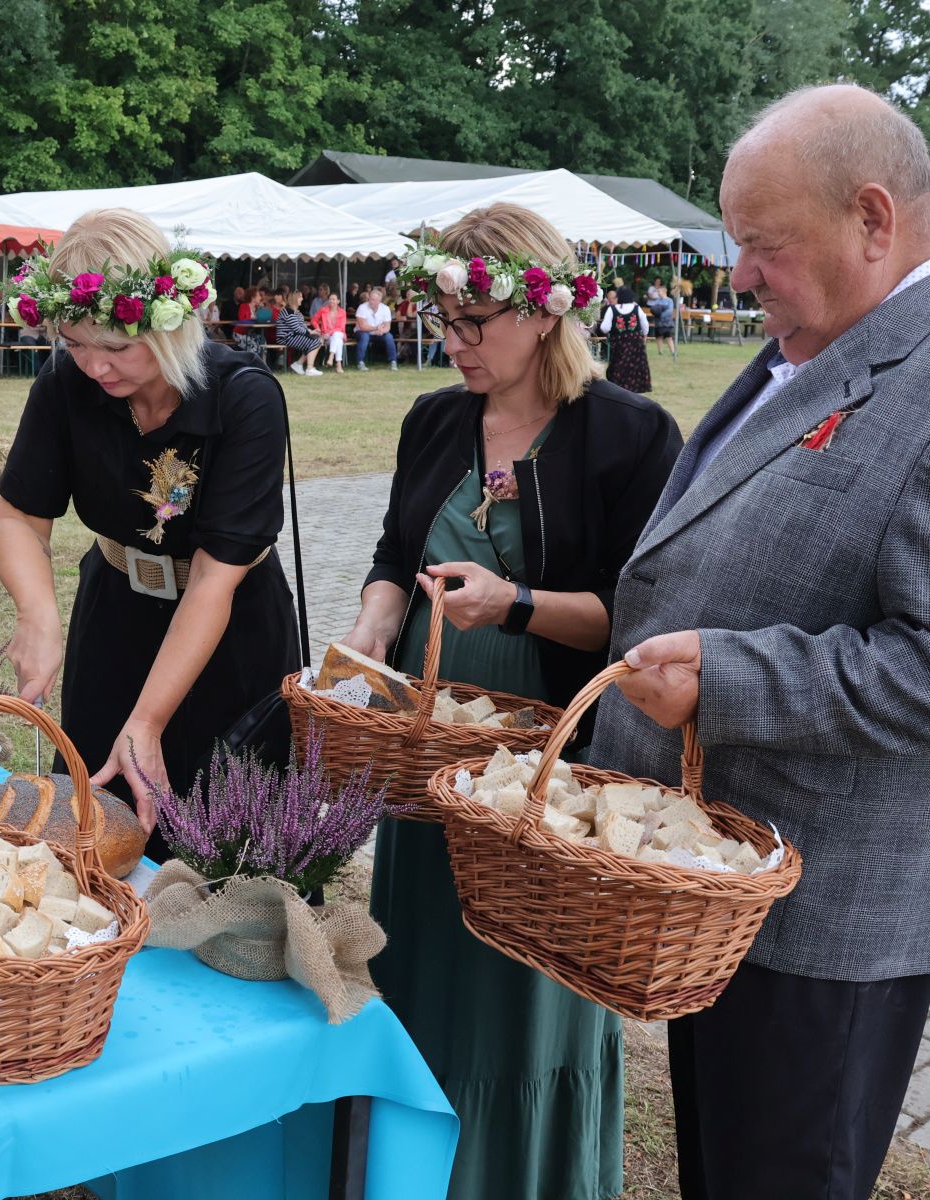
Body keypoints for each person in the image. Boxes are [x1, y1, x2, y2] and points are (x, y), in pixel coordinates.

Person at [593, 84, 930, 1200]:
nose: (738, 276)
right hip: (737, 885)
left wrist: (732, 676)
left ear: (874, 218)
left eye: (763, 244)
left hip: (835, 913)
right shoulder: (826, 338)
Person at [344, 203, 680, 1200]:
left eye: (473, 323)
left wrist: (517, 604)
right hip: (427, 739)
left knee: (524, 972)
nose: (453, 344)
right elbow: (393, 556)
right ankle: (415, 1170)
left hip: (543, 760)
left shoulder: (628, 435)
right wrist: (375, 620)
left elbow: (637, 618)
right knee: (428, 953)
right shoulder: (433, 419)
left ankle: (519, 1175)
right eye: (443, 319)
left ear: (544, 313)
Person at [0, 208, 299, 858]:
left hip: (228, 635)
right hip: (116, 622)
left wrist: (150, 720)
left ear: (166, 324)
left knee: (229, 848)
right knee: (97, 833)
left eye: (115, 347)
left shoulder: (245, 399)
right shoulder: (62, 386)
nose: (95, 368)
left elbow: (215, 580)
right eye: (75, 343)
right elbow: (20, 514)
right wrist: (38, 615)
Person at [599, 285, 652, 393]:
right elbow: (645, 325)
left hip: (619, 344)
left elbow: (604, 328)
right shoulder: (637, 309)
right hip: (636, 343)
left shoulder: (612, 309)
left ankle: (618, 390)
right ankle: (634, 389)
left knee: (618, 366)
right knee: (635, 366)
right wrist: (644, 335)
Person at [274, 287, 325, 375]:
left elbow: (302, 327)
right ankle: (309, 368)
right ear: (295, 298)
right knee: (315, 341)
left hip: (293, 336)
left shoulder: (297, 313)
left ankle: (299, 364)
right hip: (286, 337)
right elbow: (296, 328)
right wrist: (311, 332)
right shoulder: (288, 311)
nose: (302, 299)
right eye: (300, 297)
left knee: (317, 339)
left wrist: (312, 331)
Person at [354, 286, 399, 370]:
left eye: (374, 300)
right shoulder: (362, 307)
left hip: (379, 332)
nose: (371, 301)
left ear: (379, 301)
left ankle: (393, 362)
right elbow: (362, 327)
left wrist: (382, 331)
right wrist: (376, 328)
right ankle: (360, 362)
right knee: (364, 336)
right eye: (370, 299)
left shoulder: (385, 309)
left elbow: (387, 326)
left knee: (389, 336)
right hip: (362, 332)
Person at [311, 289, 347, 371]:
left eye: (334, 299)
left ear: (338, 301)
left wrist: (329, 332)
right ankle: (338, 365)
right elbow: (314, 320)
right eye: (330, 299)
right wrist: (318, 328)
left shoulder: (342, 312)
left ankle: (331, 356)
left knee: (337, 334)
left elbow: (340, 328)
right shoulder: (323, 310)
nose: (331, 301)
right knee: (338, 340)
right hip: (327, 336)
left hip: (338, 333)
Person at [646, 279, 677, 357]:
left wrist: (660, 315)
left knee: (668, 337)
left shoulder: (669, 301)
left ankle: (673, 352)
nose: (658, 293)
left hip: (667, 322)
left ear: (663, 292)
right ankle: (660, 351)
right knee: (658, 337)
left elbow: (669, 311)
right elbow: (654, 309)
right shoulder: (657, 301)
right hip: (658, 322)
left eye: (659, 292)